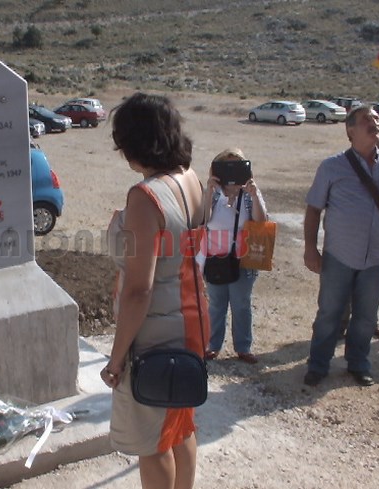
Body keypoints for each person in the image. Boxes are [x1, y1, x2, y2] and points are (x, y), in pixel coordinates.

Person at [102, 92, 207, 489]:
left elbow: (138, 291)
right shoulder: (191, 180)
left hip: (156, 333)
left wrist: (116, 360)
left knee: (152, 442)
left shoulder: (145, 197)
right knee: (180, 426)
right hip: (191, 323)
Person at [303, 106, 379, 387]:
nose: (374, 122)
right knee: (329, 313)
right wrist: (310, 249)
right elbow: (314, 209)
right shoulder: (331, 167)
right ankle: (318, 364)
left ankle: (358, 363)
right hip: (339, 255)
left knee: (366, 316)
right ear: (350, 130)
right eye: (367, 119)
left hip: (378, 257)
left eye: (377, 119)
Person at [203, 149, 268, 364]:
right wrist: (209, 192)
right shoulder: (213, 194)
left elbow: (261, 222)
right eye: (226, 166)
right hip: (215, 259)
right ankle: (213, 346)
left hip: (243, 259)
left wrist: (254, 194)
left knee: (241, 304)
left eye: (236, 166)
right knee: (216, 305)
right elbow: (203, 220)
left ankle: (243, 347)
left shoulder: (249, 195)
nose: (231, 172)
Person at [339, 116, 379, 340]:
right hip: (349, 244)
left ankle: (371, 321)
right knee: (343, 291)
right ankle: (340, 325)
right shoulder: (345, 163)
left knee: (372, 290)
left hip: (378, 244)